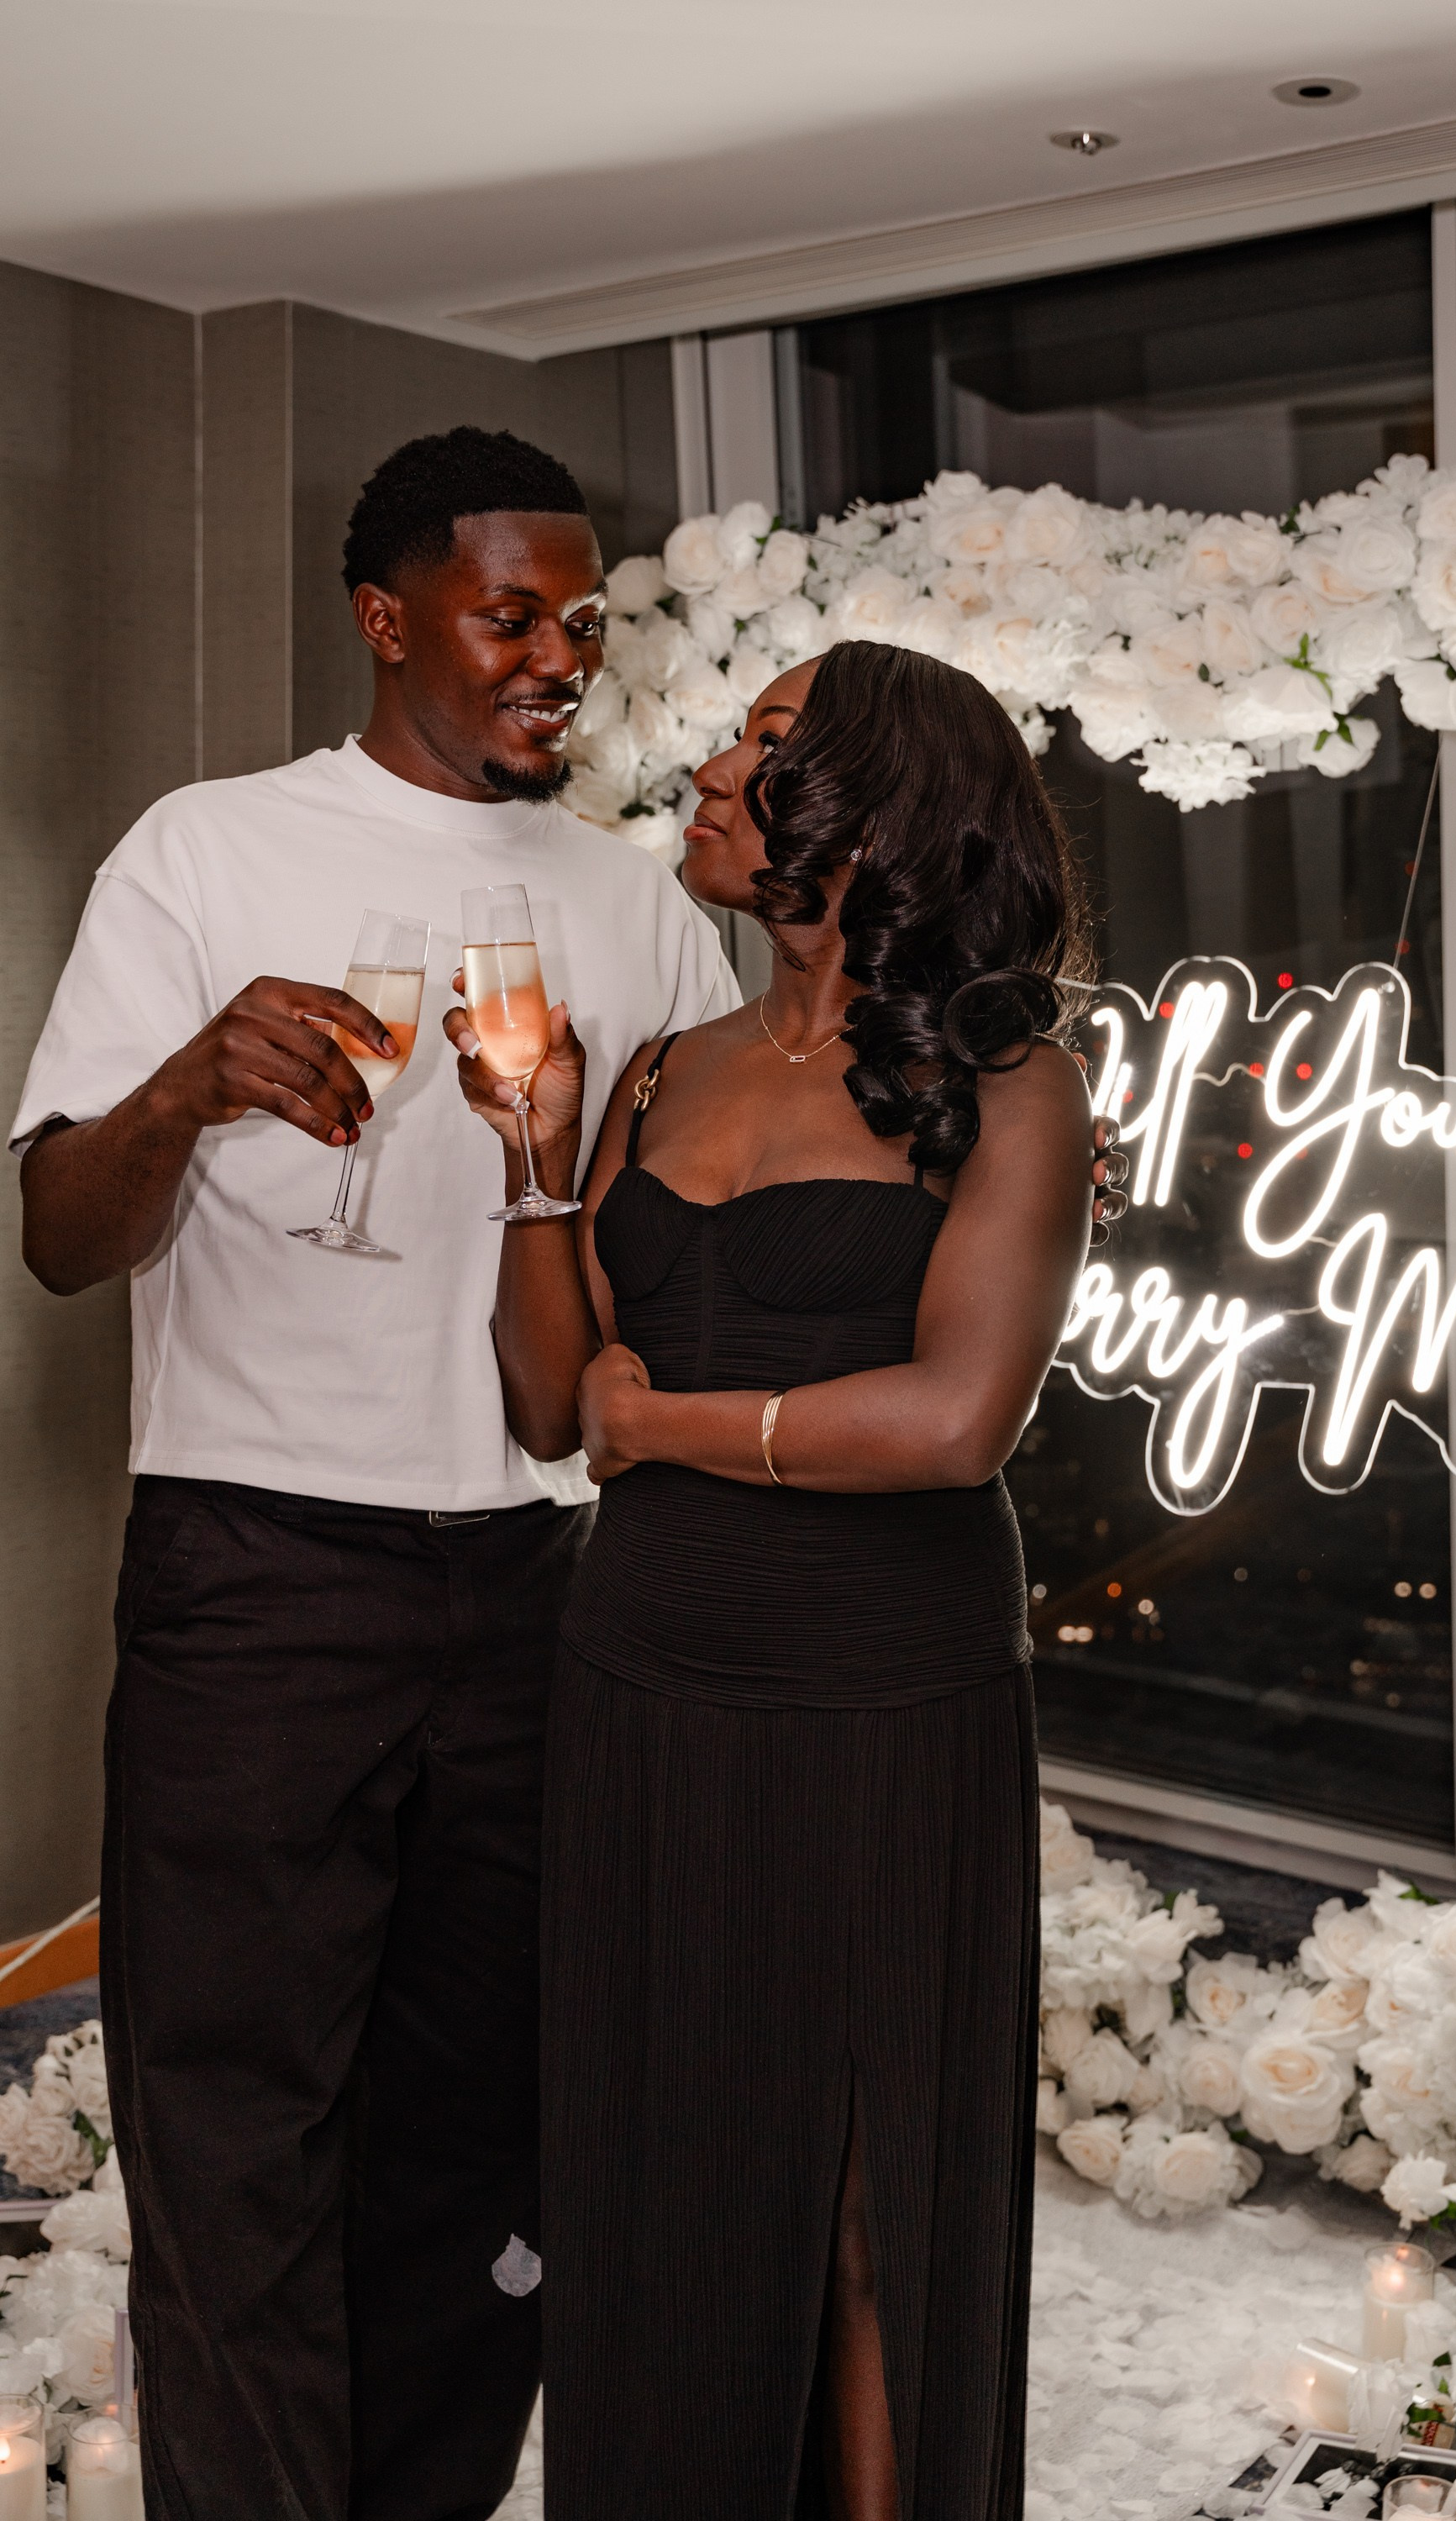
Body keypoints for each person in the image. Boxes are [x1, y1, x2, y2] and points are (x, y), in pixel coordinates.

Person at [11, 427, 742, 2521]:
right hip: (260, 1571)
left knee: (492, 2127)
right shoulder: (205, 852)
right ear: (385, 615)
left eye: (582, 622)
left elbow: (665, 1273)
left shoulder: (632, 908)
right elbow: (67, 1235)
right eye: (512, 615)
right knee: (235, 2127)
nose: (558, 660)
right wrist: (193, 1075)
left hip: (545, 1587)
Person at [446, 640, 1098, 2519]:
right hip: (642, 1688)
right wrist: (535, 1162)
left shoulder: (1012, 1086)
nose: (714, 769)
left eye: (764, 742)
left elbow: (955, 1419)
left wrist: (683, 1432)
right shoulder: (659, 1062)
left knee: (866, 2207)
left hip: (879, 1705)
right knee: (657, 2189)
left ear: (879, 807)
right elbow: (558, 1400)